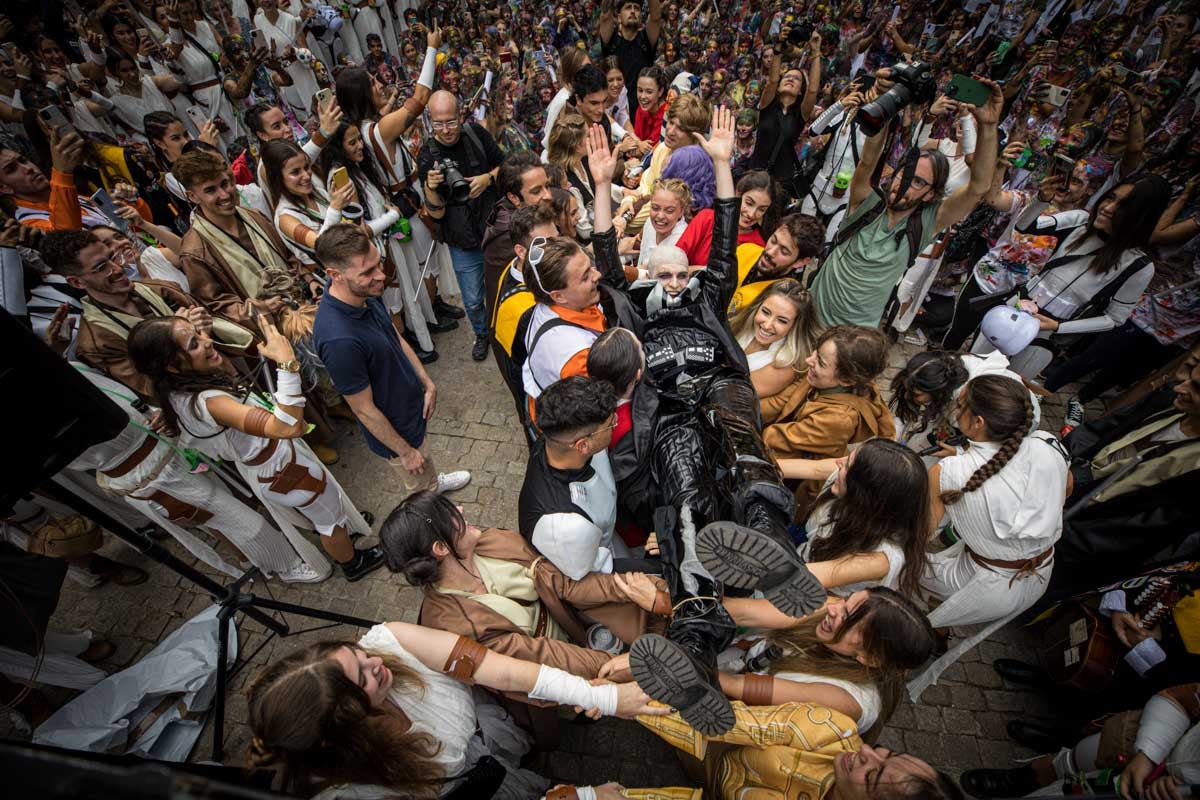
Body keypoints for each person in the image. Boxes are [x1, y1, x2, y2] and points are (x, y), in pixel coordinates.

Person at [244, 621, 664, 798]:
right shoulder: (365, 790)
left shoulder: (389, 641)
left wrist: (603, 699)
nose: (375, 661)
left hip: (486, 751)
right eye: (363, 677)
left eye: (356, 653)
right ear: (348, 720)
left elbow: (504, 673)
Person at [127, 315, 383, 581]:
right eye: (194, 343)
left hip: (273, 465)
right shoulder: (209, 402)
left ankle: (341, 531)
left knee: (324, 512)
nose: (208, 341)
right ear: (171, 365)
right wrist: (286, 362)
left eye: (200, 334)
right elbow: (287, 427)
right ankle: (352, 562)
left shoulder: (174, 391)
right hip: (283, 468)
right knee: (329, 521)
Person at [379, 490, 661, 680]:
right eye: (451, 513)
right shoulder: (451, 623)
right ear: (441, 548)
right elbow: (541, 657)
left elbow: (564, 584)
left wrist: (636, 587)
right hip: (553, 672)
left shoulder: (489, 541)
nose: (462, 508)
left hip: (572, 623)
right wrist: (612, 666)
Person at [910, 374, 1069, 699]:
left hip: (987, 583)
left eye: (960, 404)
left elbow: (921, 536)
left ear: (978, 422)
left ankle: (913, 642)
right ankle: (939, 628)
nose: (955, 407)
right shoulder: (1047, 444)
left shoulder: (949, 473)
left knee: (910, 572)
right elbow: (1067, 488)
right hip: (1040, 570)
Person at [810, 69, 1003, 328]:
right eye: (905, 173)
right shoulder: (866, 200)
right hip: (809, 320)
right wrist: (888, 96)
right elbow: (870, 158)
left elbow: (979, 186)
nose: (903, 183)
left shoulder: (925, 224)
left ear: (931, 195)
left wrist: (989, 126)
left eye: (919, 182)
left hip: (848, 341)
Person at [311, 224, 471, 497]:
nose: (381, 276)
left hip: (410, 414)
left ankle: (433, 481)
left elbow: (393, 336)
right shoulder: (339, 340)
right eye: (368, 272)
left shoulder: (360, 293)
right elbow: (363, 410)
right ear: (334, 275)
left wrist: (426, 381)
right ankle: (435, 510)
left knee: (425, 467)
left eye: (378, 264)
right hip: (396, 434)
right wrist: (406, 453)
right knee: (421, 493)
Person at [977, 176, 1171, 381]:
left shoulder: (1138, 265)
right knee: (972, 366)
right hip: (1013, 309)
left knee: (1003, 389)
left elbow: (1114, 318)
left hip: (1047, 335)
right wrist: (1041, 199)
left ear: (1140, 216)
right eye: (1110, 197)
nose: (1108, 207)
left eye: (1123, 206)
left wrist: (1058, 327)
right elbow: (1024, 226)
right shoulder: (1080, 220)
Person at [40, 228, 251, 401]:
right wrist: (182, 332)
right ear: (77, 282)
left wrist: (208, 324)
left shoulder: (159, 288)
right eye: (102, 267)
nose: (118, 268)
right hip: (209, 409)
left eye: (112, 258)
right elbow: (154, 391)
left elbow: (218, 328)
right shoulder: (98, 341)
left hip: (239, 382)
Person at [960, 682, 1200, 799]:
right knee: (1072, 765)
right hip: (1150, 744)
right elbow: (1181, 699)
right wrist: (1149, 754)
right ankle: (1022, 780)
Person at [759, 325, 895, 516]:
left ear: (847, 380)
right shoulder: (828, 378)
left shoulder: (839, 419)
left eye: (821, 362)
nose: (808, 360)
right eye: (816, 351)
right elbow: (783, 401)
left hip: (794, 485)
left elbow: (773, 439)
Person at [173, 148, 308, 327]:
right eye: (211, 190)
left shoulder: (254, 216)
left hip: (301, 312)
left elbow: (288, 257)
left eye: (225, 183)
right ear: (193, 196)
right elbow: (217, 308)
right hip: (268, 333)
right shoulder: (194, 251)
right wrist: (261, 308)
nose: (225, 194)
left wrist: (308, 278)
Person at [418, 89, 506, 361]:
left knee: (504, 286)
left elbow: (506, 166)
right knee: (472, 298)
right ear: (429, 121)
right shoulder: (426, 156)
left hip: (493, 228)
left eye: (451, 121)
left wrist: (487, 179)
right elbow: (437, 215)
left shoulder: (476, 135)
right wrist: (430, 188)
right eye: (439, 123)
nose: (446, 130)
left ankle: (506, 330)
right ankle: (482, 334)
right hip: (461, 238)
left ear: (460, 115)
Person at [518, 376, 629, 580]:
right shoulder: (565, 528)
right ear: (582, 445)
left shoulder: (553, 441)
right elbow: (595, 574)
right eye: (611, 424)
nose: (616, 423)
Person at [889, 350, 1042, 450]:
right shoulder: (944, 368)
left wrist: (960, 453)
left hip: (1009, 417)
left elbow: (979, 442)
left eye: (916, 394)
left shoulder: (967, 399)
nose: (908, 397)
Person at [748, 33, 823, 199]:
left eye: (796, 79)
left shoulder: (800, 114)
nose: (791, 79)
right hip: (755, 178)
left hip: (781, 185)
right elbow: (772, 79)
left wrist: (816, 53)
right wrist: (778, 50)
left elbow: (813, 90)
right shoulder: (768, 105)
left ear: (800, 90)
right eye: (787, 76)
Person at [482, 151, 551, 322]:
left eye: (547, 186)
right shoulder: (511, 233)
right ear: (513, 198)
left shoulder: (531, 212)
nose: (548, 195)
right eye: (536, 191)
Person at [728, 278, 820, 400]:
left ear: (795, 326)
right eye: (765, 312)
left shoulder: (787, 367)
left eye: (782, 321)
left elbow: (732, 392)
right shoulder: (740, 324)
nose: (767, 325)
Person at [675, 169, 775, 269]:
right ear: (737, 194)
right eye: (749, 203)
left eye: (761, 210)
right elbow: (675, 259)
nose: (751, 214)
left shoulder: (757, 245)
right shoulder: (707, 219)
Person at [728, 212, 825, 314]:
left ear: (801, 262)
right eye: (773, 240)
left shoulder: (785, 300)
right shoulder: (745, 249)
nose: (770, 252)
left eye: (784, 251)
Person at [600, 0, 663, 113]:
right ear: (619, 17)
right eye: (628, 7)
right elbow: (605, 16)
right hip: (613, 111)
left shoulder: (646, 39)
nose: (633, 11)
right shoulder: (611, 40)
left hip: (642, 109)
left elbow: (656, 17)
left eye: (637, 8)